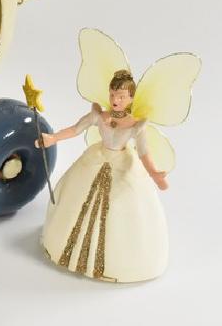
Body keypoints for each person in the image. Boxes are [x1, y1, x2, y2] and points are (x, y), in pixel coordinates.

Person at [38, 58, 189, 282]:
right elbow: (75, 129)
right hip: (95, 160)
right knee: (76, 198)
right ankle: (67, 250)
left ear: (130, 99)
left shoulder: (135, 125)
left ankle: (115, 262)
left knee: (121, 209)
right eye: (112, 95)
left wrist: (154, 174)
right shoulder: (99, 116)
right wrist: (53, 138)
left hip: (122, 166)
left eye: (121, 97)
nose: (115, 100)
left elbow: (143, 153)